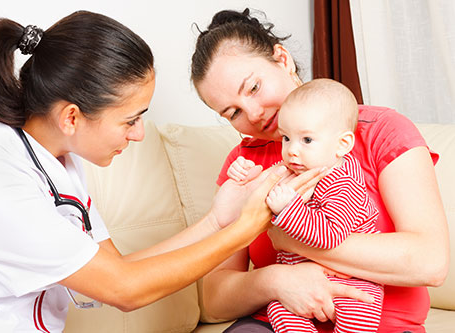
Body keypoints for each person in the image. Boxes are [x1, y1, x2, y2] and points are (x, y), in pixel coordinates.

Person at [0, 10, 332, 331]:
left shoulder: (58, 163)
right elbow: (123, 289)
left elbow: (113, 269)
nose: (138, 135)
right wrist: (246, 227)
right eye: (131, 120)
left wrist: (217, 221)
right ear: (71, 117)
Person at [190, 8, 449, 333]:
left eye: (254, 88)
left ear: (282, 59)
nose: (253, 114)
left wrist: (290, 238)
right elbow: (214, 299)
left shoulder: (381, 131)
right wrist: (277, 280)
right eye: (233, 112)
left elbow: (431, 261)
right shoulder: (243, 164)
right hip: (275, 325)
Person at [227, 78, 384, 333]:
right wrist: (247, 176)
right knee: (277, 309)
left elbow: (330, 236)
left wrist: (288, 209)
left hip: (353, 280)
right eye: (287, 138)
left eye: (307, 140)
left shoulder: (344, 182)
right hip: (299, 279)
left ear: (342, 145)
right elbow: (264, 186)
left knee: (359, 310)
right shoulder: (299, 168)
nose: (291, 151)